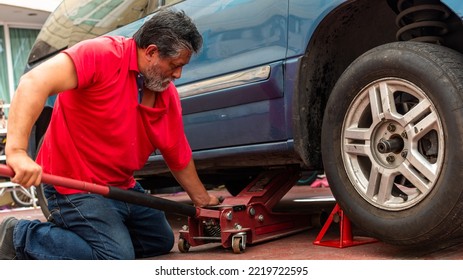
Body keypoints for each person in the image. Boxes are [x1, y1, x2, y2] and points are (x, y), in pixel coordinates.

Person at [0, 9, 219, 260]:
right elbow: (33, 82)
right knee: (115, 258)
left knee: (160, 240)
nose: (178, 74)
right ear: (150, 52)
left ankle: (82, 238)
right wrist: (16, 152)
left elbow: (176, 153)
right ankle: (20, 234)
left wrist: (202, 200)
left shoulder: (166, 95)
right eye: (174, 65)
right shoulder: (101, 54)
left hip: (120, 186)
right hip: (72, 185)